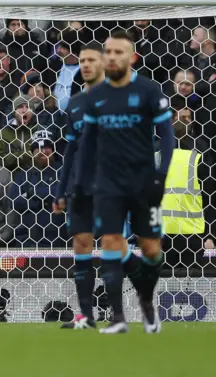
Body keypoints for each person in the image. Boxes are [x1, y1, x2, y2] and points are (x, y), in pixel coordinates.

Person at [74, 31, 175, 334]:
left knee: (152, 250)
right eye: (109, 52)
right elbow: (88, 144)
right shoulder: (95, 97)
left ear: (131, 57)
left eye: (119, 52)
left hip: (143, 182)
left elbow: (167, 136)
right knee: (110, 242)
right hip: (108, 184)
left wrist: (161, 176)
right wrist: (81, 183)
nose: (113, 57)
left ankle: (145, 298)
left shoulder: (148, 91)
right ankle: (118, 318)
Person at [55, 43, 145, 330]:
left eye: (92, 60)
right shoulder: (76, 103)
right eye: (82, 61)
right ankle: (86, 316)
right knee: (81, 245)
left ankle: (121, 310)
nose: (86, 65)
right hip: (81, 186)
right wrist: (60, 189)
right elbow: (70, 151)